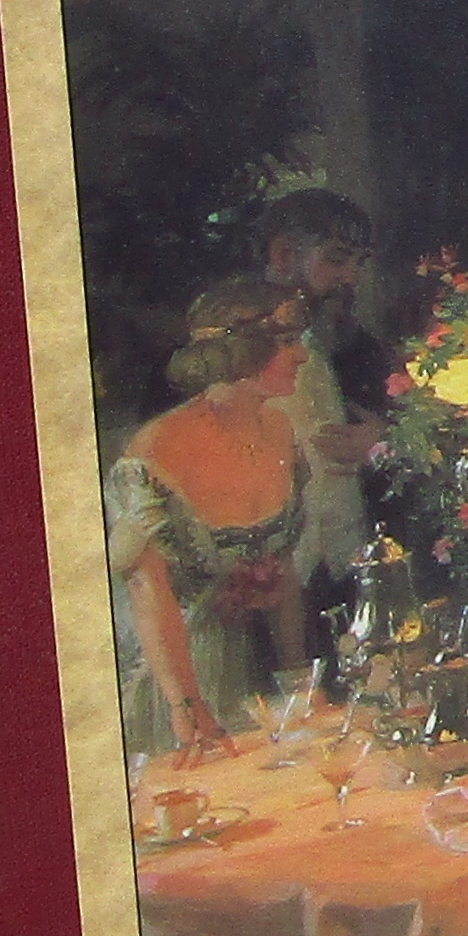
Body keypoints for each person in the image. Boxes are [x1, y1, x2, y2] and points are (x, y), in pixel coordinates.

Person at [109, 280, 310, 766]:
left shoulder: (280, 430)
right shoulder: (159, 449)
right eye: (287, 341)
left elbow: (282, 570)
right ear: (242, 352)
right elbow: (147, 589)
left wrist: (298, 681)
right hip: (174, 679)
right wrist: (186, 705)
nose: (303, 355)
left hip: (254, 677)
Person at [254, 188, 395, 661]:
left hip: (346, 571)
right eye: (336, 259)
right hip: (268, 584)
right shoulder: (236, 348)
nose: (350, 278)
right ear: (283, 255)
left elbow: (392, 433)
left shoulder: (359, 350)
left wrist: (380, 441)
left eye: (359, 263)